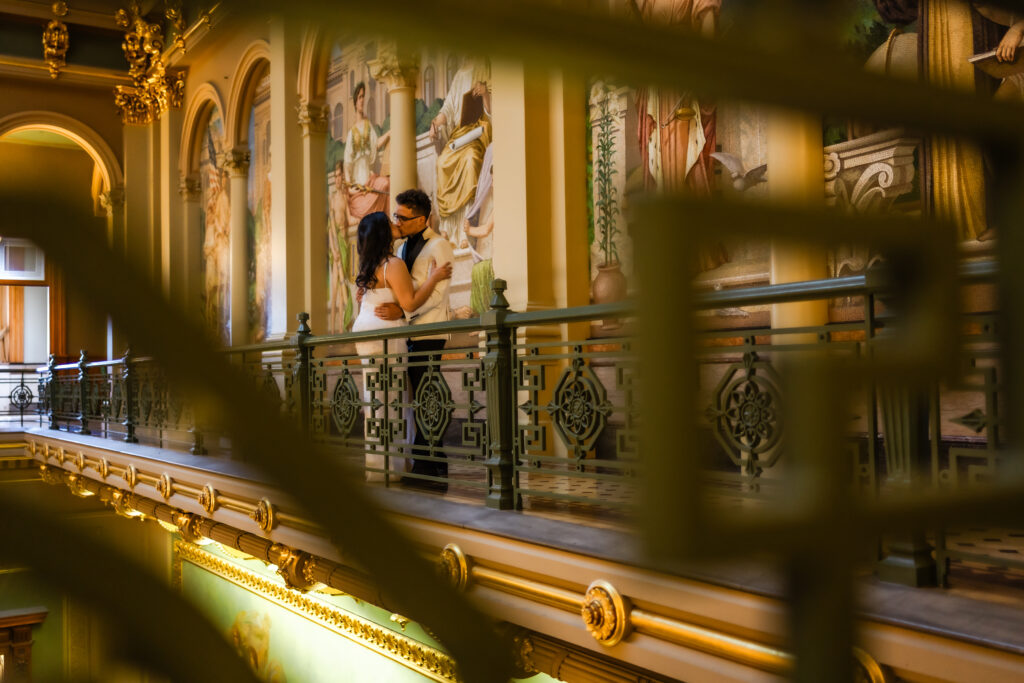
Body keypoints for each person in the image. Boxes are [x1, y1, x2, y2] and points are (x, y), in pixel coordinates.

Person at [351, 211, 452, 482]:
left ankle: (377, 466)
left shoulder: (367, 266)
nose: (396, 224)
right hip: (383, 335)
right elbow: (409, 303)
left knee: (375, 399)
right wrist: (435, 277)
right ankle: (394, 468)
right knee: (393, 397)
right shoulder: (392, 264)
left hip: (364, 332)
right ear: (384, 233)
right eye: (390, 223)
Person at [373, 189, 455, 490]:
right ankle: (429, 462)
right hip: (410, 331)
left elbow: (438, 293)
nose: (398, 222)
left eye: (403, 218)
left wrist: (404, 313)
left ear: (422, 218)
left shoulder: (440, 245)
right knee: (418, 397)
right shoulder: (404, 248)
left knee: (426, 395)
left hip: (431, 330)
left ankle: (431, 464)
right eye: (396, 216)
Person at [343, 81, 391, 222]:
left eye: (363, 96)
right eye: (359, 97)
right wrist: (350, 188)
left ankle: (388, 223)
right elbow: (347, 164)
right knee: (363, 206)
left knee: (385, 183)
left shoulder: (368, 125)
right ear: (355, 101)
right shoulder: (352, 132)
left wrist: (389, 134)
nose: (362, 100)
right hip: (359, 190)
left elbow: (375, 144)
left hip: (371, 181)